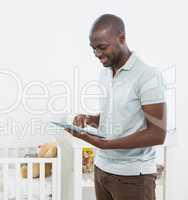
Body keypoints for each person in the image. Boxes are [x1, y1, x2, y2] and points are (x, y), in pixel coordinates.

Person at [65, 14, 166, 200]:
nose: (97, 54)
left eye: (102, 47)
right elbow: (119, 115)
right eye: (93, 49)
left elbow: (157, 134)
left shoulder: (147, 75)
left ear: (122, 38)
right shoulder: (105, 72)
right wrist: (90, 119)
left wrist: (105, 144)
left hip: (133, 176)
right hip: (102, 170)